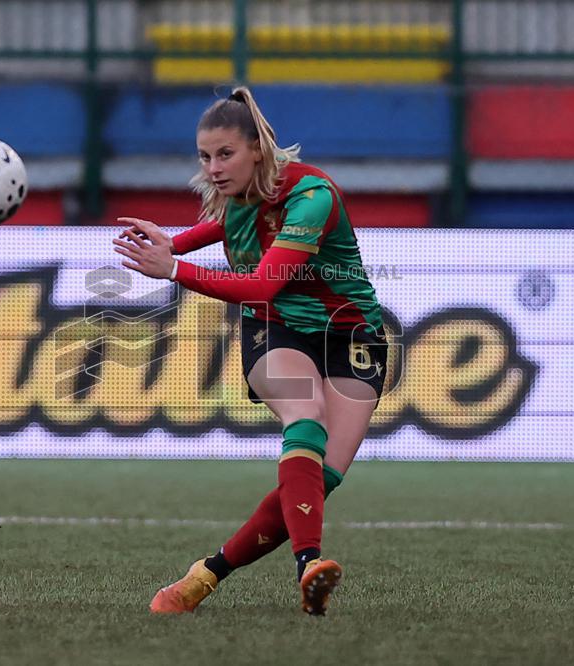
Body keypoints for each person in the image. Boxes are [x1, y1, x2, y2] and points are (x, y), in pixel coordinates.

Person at [111, 86, 390, 616]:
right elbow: (231, 231)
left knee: (321, 477)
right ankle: (310, 564)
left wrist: (173, 267)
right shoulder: (240, 194)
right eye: (204, 156)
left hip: (351, 335)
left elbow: (262, 282)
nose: (213, 168)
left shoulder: (313, 198)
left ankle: (203, 577)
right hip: (276, 328)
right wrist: (178, 244)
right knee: (304, 419)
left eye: (225, 154)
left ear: (256, 150)